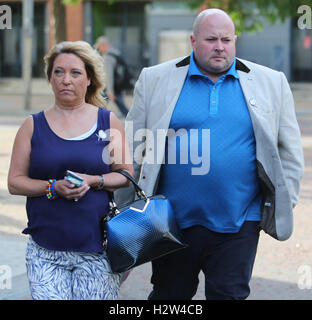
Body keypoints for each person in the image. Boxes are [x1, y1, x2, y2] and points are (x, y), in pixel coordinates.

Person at [114, 9, 304, 300]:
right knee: (169, 297)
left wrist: (282, 202)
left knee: (229, 295)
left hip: (239, 222)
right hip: (170, 224)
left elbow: (289, 154)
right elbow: (133, 151)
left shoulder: (270, 83)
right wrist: (125, 216)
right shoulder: (155, 80)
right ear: (193, 41)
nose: (219, 46)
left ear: (235, 41)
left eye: (226, 40)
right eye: (211, 39)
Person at [7, 41, 133, 300]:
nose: (66, 79)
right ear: (50, 78)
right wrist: (53, 187)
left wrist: (94, 180)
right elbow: (15, 182)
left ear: (89, 79)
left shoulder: (108, 121)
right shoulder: (32, 125)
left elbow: (125, 175)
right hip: (45, 251)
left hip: (97, 249)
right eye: (59, 72)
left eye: (75, 73)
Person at [95, 36, 129, 117]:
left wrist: (110, 91)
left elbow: (109, 75)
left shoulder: (107, 57)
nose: (99, 49)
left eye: (99, 46)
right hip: (117, 85)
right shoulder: (116, 53)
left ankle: (131, 118)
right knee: (104, 103)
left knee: (102, 103)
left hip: (112, 86)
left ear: (103, 45)